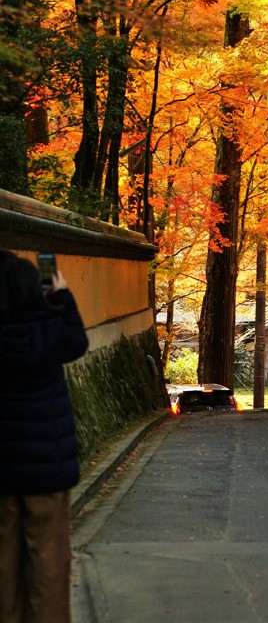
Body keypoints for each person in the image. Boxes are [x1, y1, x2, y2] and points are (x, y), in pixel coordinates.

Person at [0, 251, 89, 623]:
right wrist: (62, 294)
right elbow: (78, 342)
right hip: (48, 468)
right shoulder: (52, 329)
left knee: (3, 560)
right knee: (50, 559)